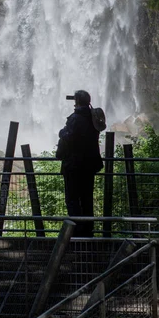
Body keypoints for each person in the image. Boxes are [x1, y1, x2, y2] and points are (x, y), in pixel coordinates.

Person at [56, 90, 103, 237]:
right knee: (87, 198)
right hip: (89, 166)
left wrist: (61, 132)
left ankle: (77, 233)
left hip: (74, 166)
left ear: (77, 102)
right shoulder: (93, 118)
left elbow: (69, 137)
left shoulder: (75, 118)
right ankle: (88, 231)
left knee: (72, 199)